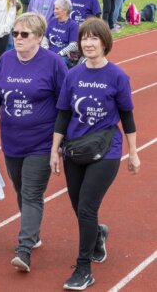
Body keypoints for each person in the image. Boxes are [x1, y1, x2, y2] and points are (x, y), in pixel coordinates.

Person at [51, 18, 140, 290]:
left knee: (87, 207)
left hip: (107, 150)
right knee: (79, 207)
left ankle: (84, 268)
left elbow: (127, 116)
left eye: (94, 38)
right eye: (84, 39)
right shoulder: (73, 75)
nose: (88, 43)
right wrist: (55, 150)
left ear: (105, 42)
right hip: (75, 149)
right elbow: (64, 114)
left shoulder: (117, 76)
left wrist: (133, 153)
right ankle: (98, 235)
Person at [0, 13, 68, 273]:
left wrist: (60, 143)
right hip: (13, 141)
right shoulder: (6, 60)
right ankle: (33, 232)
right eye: (15, 33)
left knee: (32, 193)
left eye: (24, 34)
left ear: (39, 37)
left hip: (42, 142)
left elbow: (65, 105)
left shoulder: (53, 64)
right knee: (21, 190)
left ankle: (24, 248)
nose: (18, 38)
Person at [42, 0, 79, 68]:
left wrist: (59, 54)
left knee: (56, 63)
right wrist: (45, 48)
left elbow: (73, 45)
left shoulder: (73, 25)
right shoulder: (52, 21)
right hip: (50, 53)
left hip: (64, 56)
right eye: (54, 9)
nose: (54, 11)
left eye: (57, 9)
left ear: (65, 10)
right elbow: (45, 38)